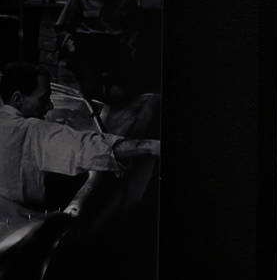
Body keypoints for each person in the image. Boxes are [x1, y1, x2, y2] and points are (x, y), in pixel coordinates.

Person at [0, 62, 159, 213]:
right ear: (17, 99)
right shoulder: (32, 131)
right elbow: (88, 148)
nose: (50, 106)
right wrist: (149, 146)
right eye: (43, 99)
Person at [55, 0, 141, 105]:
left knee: (121, 96)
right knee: (89, 92)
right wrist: (71, 47)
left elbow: (134, 26)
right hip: (88, 47)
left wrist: (130, 46)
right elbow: (62, 27)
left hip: (116, 47)